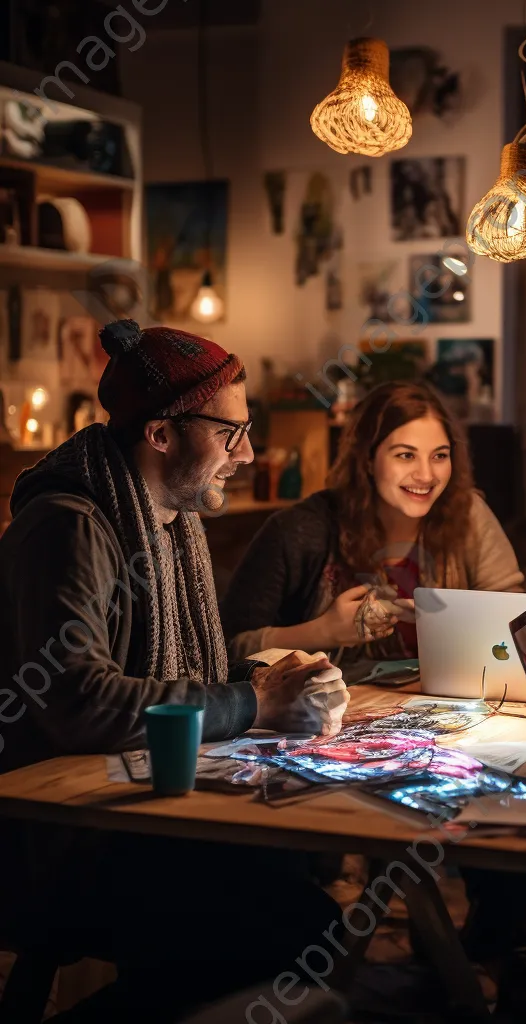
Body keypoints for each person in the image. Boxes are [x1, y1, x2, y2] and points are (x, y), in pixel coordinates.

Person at [0, 319, 348, 1021]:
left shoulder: (170, 523)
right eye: (230, 434)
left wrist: (277, 678)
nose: (246, 455)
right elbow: (78, 699)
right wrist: (252, 703)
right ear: (161, 434)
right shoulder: (69, 525)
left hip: (134, 812)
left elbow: (190, 668)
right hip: (59, 839)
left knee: (298, 888)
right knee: (301, 929)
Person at [220, 381, 526, 1018]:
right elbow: (227, 645)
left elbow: (515, 616)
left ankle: (505, 934)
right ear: (368, 456)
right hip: (324, 727)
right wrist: (321, 632)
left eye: (439, 455)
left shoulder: (467, 513)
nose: (425, 474)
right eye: (404, 455)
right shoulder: (300, 529)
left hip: (437, 714)